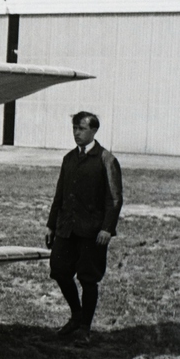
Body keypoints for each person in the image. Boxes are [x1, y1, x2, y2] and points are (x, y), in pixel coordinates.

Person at [45, 111, 123, 341]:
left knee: (88, 278)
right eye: (74, 129)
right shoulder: (69, 159)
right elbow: (59, 195)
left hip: (93, 232)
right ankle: (76, 315)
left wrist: (107, 228)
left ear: (94, 130)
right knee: (59, 270)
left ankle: (84, 328)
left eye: (81, 128)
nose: (77, 133)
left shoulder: (106, 159)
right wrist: (51, 225)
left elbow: (115, 199)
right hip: (66, 229)